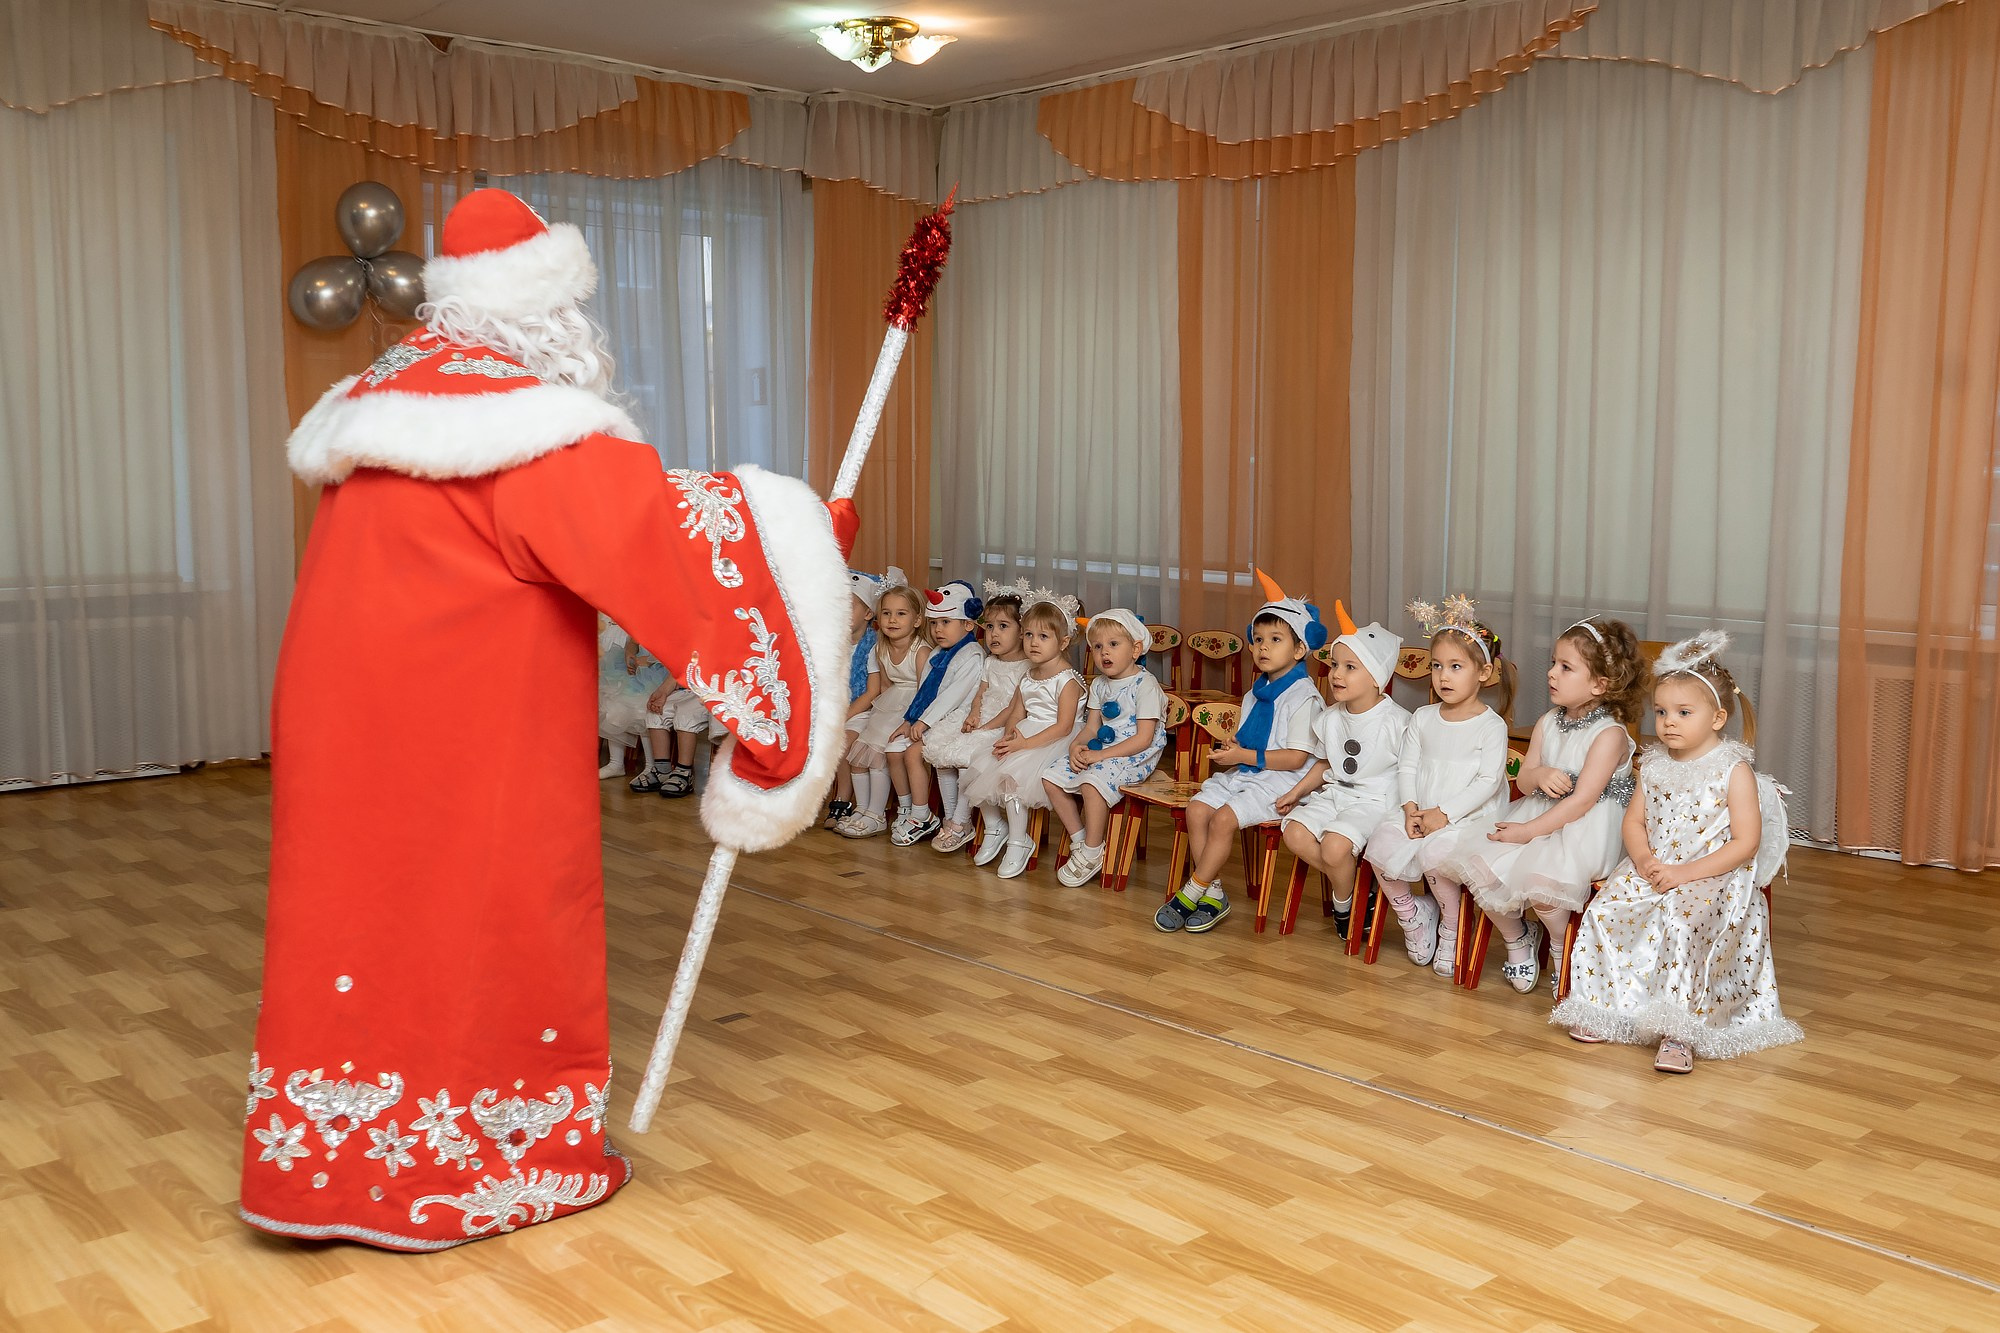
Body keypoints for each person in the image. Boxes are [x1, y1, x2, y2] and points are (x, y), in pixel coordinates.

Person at [244, 188, 854, 1251]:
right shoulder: (532, 430)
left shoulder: (386, 403)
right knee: (492, 915)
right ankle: (475, 1165)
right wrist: (800, 532)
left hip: (349, 717)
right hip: (473, 728)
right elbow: (655, 542)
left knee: (362, 920)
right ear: (547, 314)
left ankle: (332, 1168)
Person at [1551, 632, 1800, 1073]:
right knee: (1606, 909)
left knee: (1684, 922)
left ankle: (1680, 1031)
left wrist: (1685, 875)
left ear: (1718, 717)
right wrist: (1645, 860)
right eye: (1662, 712)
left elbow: (1746, 844)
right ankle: (1609, 1011)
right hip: (1656, 865)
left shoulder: (1733, 769)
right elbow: (1634, 821)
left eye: (1684, 713)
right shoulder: (1656, 763)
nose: (1669, 722)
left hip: (1714, 874)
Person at [1426, 616, 1649, 995]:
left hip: (1586, 830)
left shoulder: (1610, 734)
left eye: (1566, 667)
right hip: (1537, 814)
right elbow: (1524, 779)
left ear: (1600, 683)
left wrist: (1527, 832)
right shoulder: (1548, 722)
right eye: (1552, 663)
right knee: (1482, 870)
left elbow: (1583, 801)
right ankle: (1517, 940)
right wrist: (1541, 774)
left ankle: (1565, 948)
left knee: (1543, 885)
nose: (1552, 674)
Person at [1155, 573, 1325, 934]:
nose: (1263, 647)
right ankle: (1213, 893)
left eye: (1275, 640)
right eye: (1258, 639)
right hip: (1250, 772)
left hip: (1284, 782)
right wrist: (1235, 750)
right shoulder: (1254, 693)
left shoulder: (1304, 697)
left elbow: (1295, 759)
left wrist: (1243, 758)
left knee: (1222, 820)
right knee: (1197, 809)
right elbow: (1250, 744)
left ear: (1299, 650)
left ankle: (1192, 891)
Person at [1361, 596, 1513, 971]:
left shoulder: (1491, 726)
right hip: (1421, 809)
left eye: (1456, 666)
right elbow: (1407, 767)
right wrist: (1411, 808)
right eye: (1437, 666)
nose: (1443, 676)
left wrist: (1443, 815)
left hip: (1468, 817)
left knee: (1436, 854)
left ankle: (1450, 924)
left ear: (1483, 673)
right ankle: (1413, 914)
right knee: (1380, 842)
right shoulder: (1423, 718)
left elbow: (1488, 782)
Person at [1277, 613, 1408, 940]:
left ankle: (1343, 903)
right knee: (1293, 832)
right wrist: (1297, 791)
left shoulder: (1397, 722)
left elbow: (1411, 773)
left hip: (1374, 802)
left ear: (1377, 676)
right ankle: (1358, 889)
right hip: (1336, 795)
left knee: (1335, 848)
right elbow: (1325, 765)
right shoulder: (1330, 718)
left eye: (1350, 667)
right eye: (1335, 665)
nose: (1336, 674)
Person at [963, 590, 1085, 879]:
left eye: (1043, 637)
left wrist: (1024, 745)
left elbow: (1064, 726)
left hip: (1055, 740)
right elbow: (1016, 711)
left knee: (1012, 782)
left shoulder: (1067, 680)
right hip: (1026, 733)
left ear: (1064, 642)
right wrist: (1008, 738)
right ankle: (997, 828)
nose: (1033, 642)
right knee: (978, 771)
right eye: (1028, 635)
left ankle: (1020, 841)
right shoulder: (1028, 674)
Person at [1043, 609, 1169, 886]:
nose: (1104, 653)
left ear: (1136, 649)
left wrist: (1100, 756)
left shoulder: (1145, 685)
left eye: (1113, 644)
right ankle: (1082, 841)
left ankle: (1091, 849)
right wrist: (1077, 747)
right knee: (1051, 777)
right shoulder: (1099, 684)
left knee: (1091, 781)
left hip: (1136, 753)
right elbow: (1090, 727)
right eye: (1098, 647)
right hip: (1103, 747)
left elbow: (1144, 738)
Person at [920, 586, 1030, 853]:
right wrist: (973, 715)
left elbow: (1013, 708)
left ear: (1021, 629)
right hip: (983, 716)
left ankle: (961, 822)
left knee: (970, 757)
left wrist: (985, 727)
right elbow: (981, 693)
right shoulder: (990, 661)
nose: (994, 634)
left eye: (1003, 626)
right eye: (990, 627)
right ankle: (950, 818)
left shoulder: (1026, 665)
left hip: (1006, 723)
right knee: (941, 750)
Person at [895, 581, 987, 846]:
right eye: (934, 623)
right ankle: (944, 818)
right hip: (936, 719)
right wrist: (911, 719)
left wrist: (924, 722)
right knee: (901, 751)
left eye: (946, 622)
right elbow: (925, 690)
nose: (938, 630)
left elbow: (953, 695)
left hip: (957, 719)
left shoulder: (971, 654)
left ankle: (936, 817)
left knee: (923, 755)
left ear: (968, 625)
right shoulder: (938, 653)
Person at [839, 582, 928, 838]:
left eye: (901, 614)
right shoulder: (879, 649)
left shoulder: (920, 651)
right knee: (858, 755)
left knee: (878, 754)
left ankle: (876, 814)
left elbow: (926, 691)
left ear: (917, 620)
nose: (892, 619)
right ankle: (862, 809)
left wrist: (910, 719)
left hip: (911, 707)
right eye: (887, 613)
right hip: (888, 705)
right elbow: (883, 687)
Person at [823, 567, 891, 829]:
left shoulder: (874, 645)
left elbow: (871, 692)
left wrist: (843, 716)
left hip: (865, 709)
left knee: (842, 741)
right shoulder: (829, 644)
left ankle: (845, 797)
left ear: (868, 613)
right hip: (835, 707)